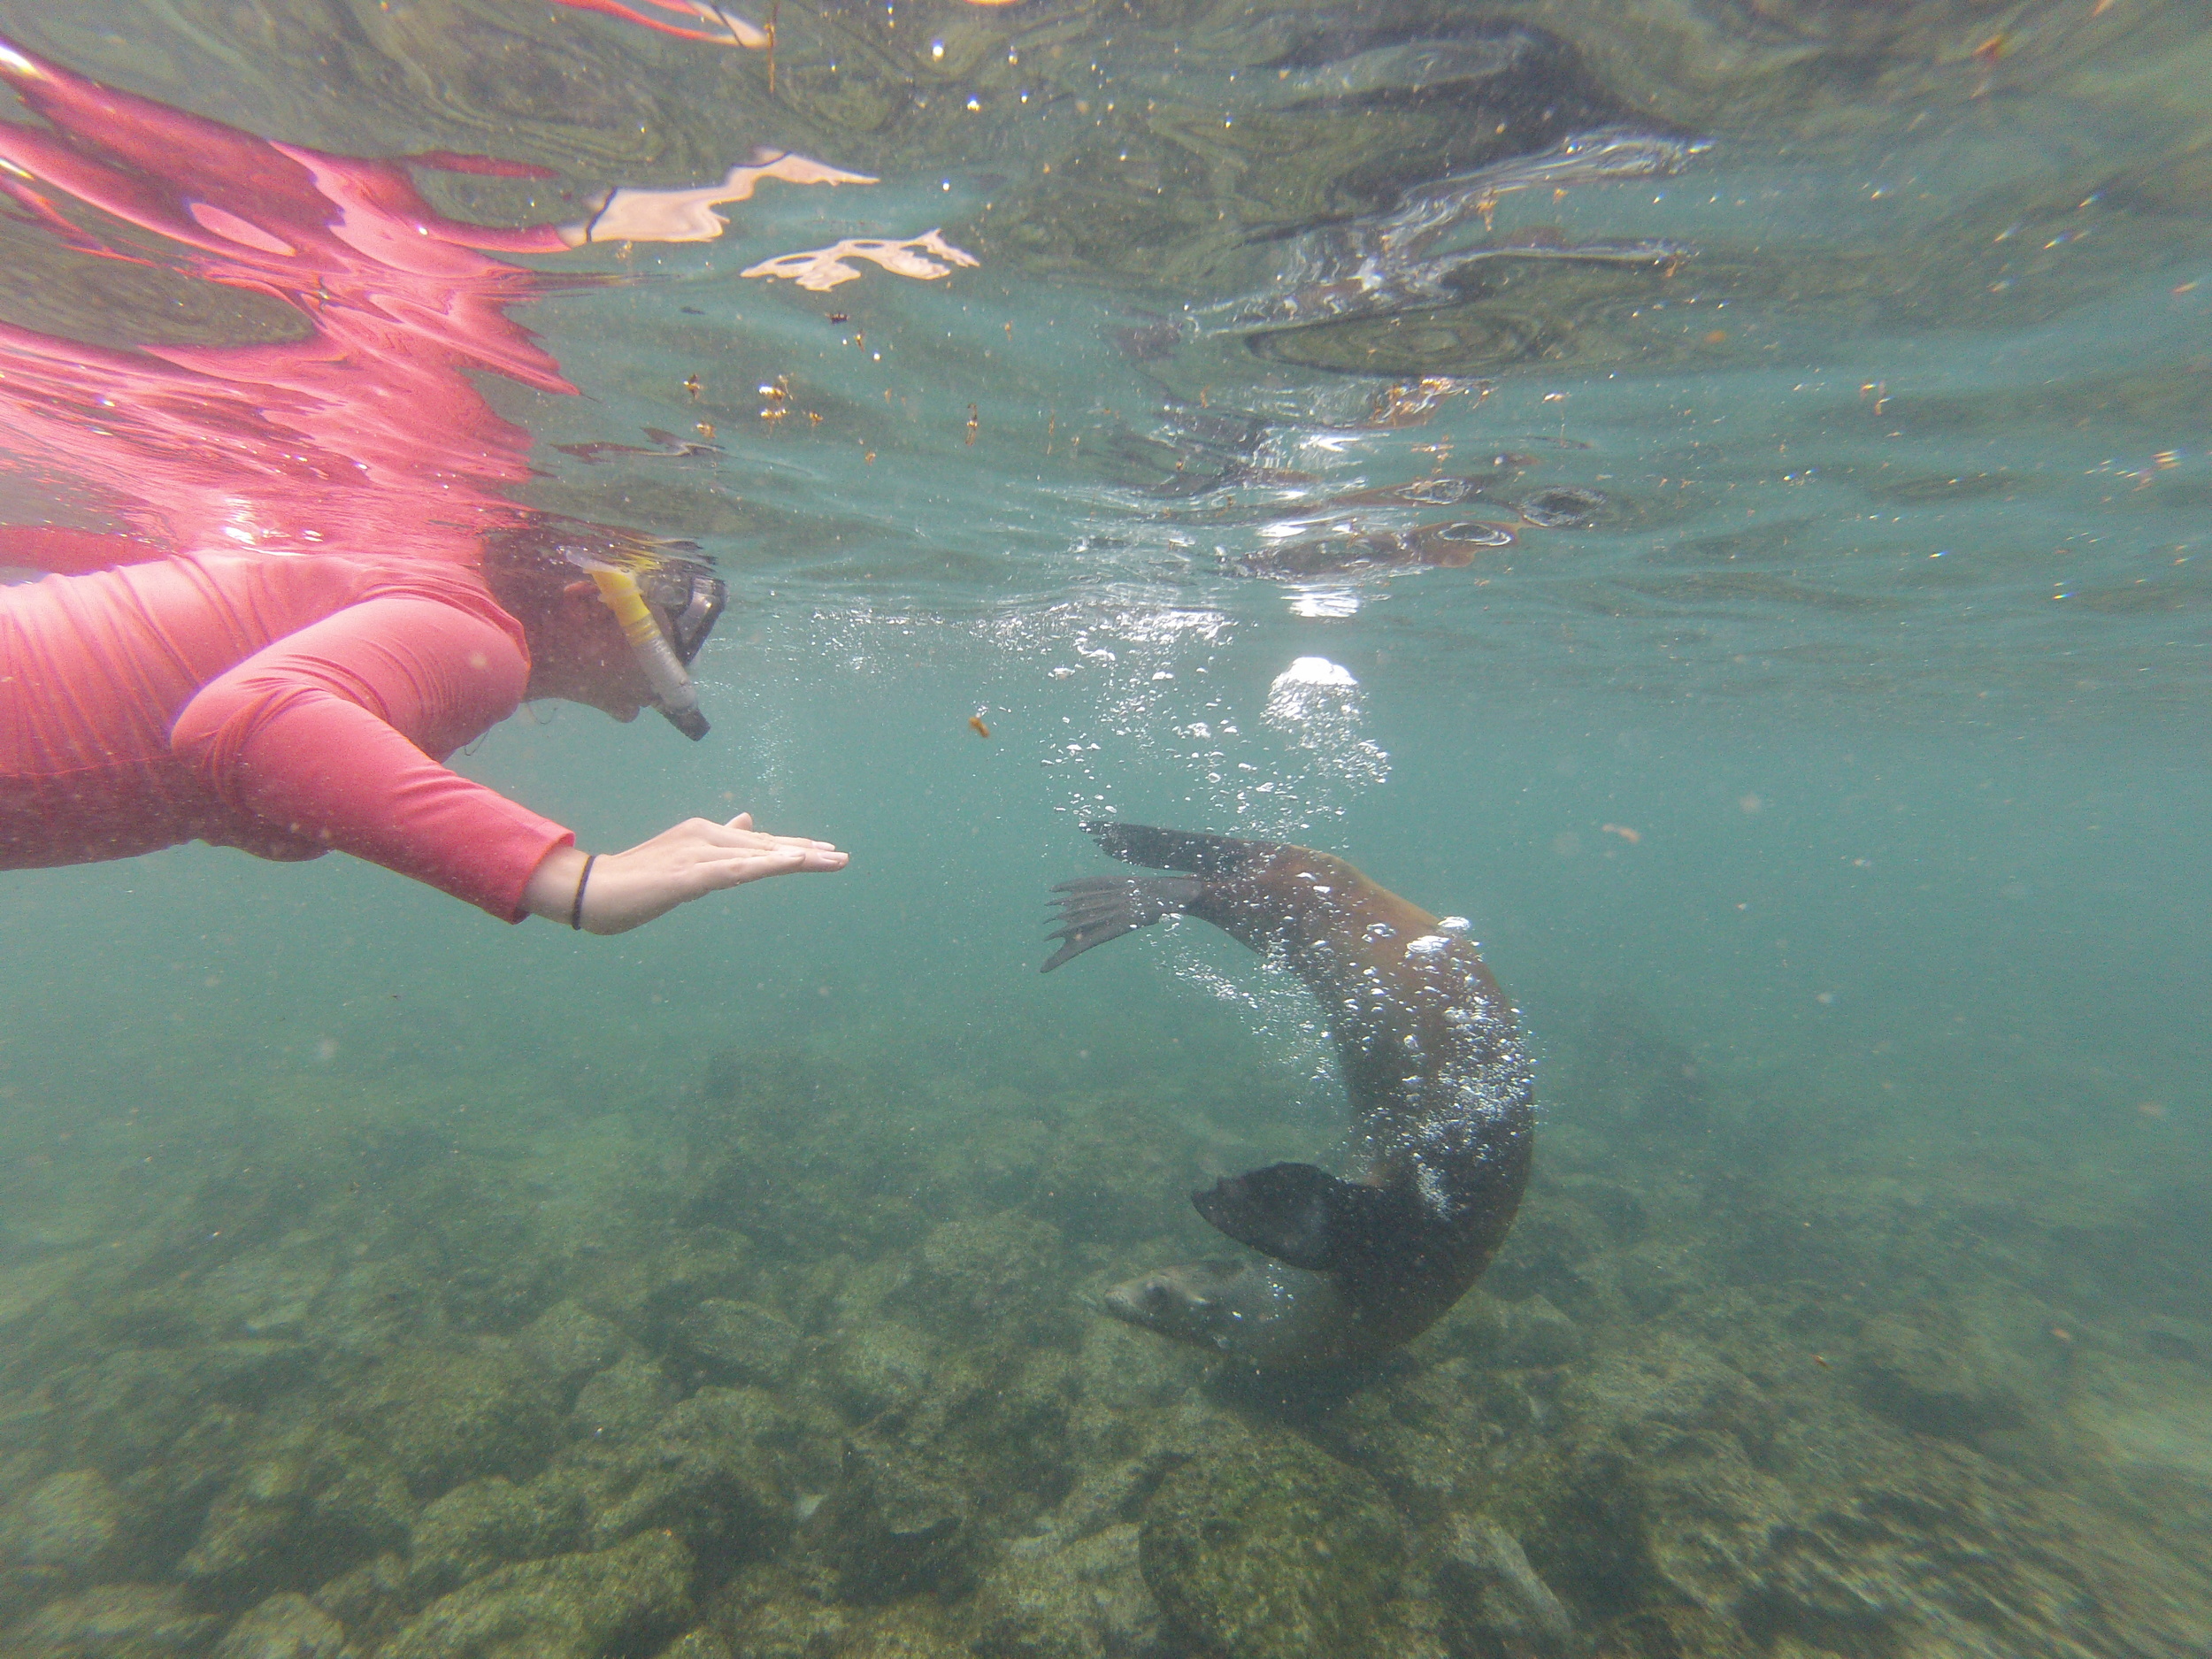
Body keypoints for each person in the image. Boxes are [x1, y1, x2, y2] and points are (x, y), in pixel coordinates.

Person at [0, 517, 847, 933]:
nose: (685, 661)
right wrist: (579, 883)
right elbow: (245, 722)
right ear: (591, 605)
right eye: (676, 624)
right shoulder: (476, 636)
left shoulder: (421, 592)